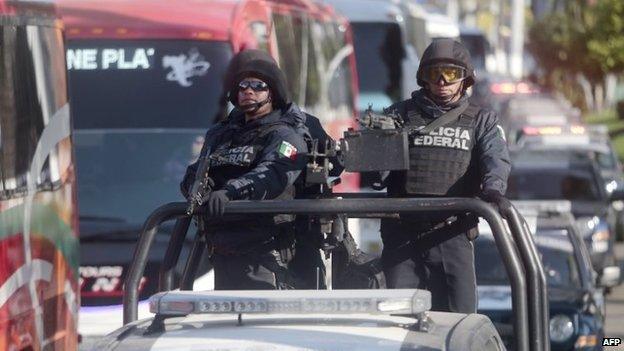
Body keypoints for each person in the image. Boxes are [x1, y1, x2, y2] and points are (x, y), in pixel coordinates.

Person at [379, 39, 512, 313]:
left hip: (452, 232)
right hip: (402, 232)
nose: (441, 81)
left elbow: (495, 159)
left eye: (450, 73)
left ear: (465, 79)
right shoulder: (398, 115)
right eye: (433, 73)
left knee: (460, 320)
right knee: (399, 321)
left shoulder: (481, 120)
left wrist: (493, 189)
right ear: (423, 78)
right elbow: (375, 169)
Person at [180, 49, 308, 290]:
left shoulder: (284, 135)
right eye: (242, 86)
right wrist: (198, 190)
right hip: (221, 247)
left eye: (258, 86)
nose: (248, 91)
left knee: (263, 322)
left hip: (265, 250)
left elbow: (273, 175)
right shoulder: (221, 134)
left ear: (273, 93)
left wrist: (230, 193)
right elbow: (195, 172)